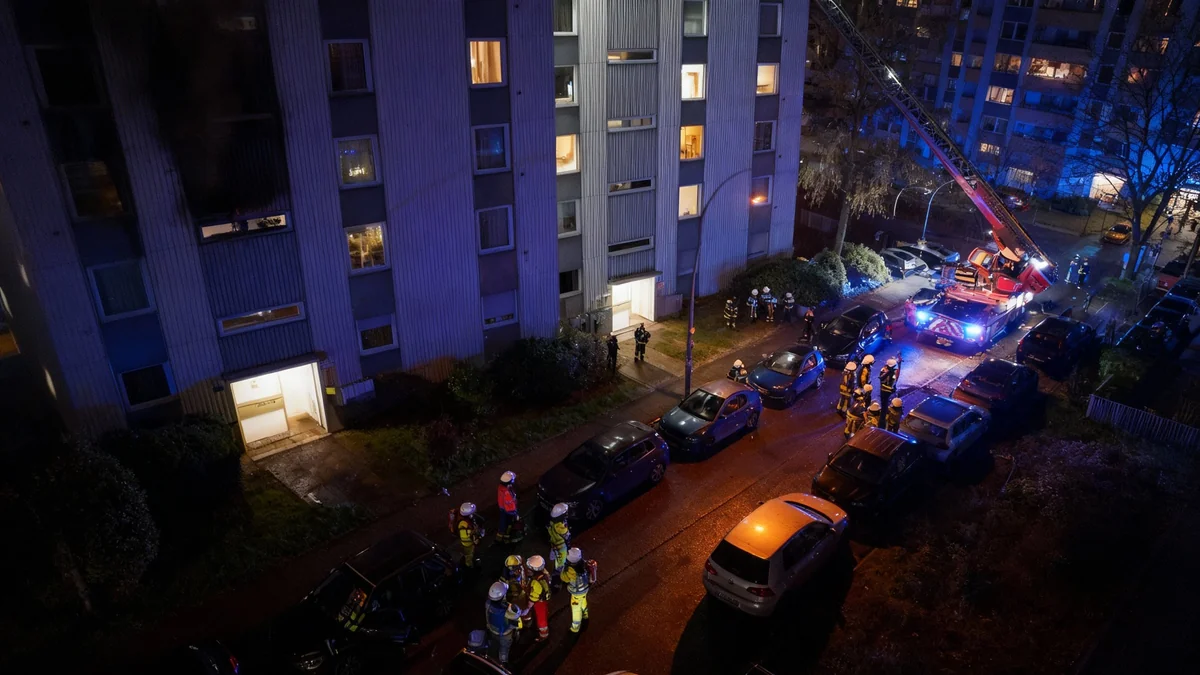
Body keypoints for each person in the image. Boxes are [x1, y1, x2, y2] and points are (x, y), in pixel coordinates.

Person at [486, 582, 520, 665]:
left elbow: (487, 615)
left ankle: (489, 658)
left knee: (493, 645)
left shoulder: (488, 604)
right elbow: (517, 615)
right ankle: (503, 664)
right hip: (505, 634)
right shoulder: (508, 610)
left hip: (492, 630)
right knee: (504, 650)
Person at [561, 547, 593, 633]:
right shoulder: (584, 564)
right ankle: (585, 615)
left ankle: (575, 628)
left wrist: (564, 567)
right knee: (583, 601)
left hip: (576, 594)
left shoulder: (571, 571)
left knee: (576, 610)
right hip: (585, 590)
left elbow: (563, 578)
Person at [526, 555, 553, 641]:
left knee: (541, 619)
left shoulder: (536, 582)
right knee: (543, 613)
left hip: (539, 602)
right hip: (544, 599)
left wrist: (529, 605)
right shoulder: (544, 573)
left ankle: (543, 635)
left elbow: (534, 597)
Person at [496, 471, 523, 544]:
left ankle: (499, 537)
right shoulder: (507, 493)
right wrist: (515, 514)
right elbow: (510, 506)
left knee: (502, 523)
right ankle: (506, 539)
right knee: (509, 524)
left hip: (502, 508)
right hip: (508, 511)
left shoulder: (501, 487)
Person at [455, 502, 484, 569]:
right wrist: (475, 537)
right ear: (469, 515)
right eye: (472, 513)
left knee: (472, 553)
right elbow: (465, 537)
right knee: (469, 556)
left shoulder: (467, 520)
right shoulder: (463, 525)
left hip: (470, 543)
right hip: (467, 545)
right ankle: (469, 567)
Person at [547, 502, 572, 579]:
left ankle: (550, 572)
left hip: (553, 545)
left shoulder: (551, 524)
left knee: (552, 559)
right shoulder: (560, 527)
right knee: (560, 564)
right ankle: (558, 578)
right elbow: (567, 536)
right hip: (561, 547)